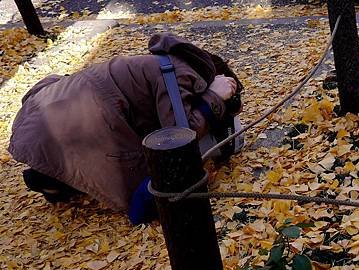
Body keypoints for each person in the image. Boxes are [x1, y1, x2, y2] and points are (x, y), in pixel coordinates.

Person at [8, 33, 242, 224]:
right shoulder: (181, 74)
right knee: (151, 182)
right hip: (76, 122)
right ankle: (52, 175)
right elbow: (179, 134)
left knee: (91, 156)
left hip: (38, 118)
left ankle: (48, 176)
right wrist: (214, 98)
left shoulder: (160, 62)